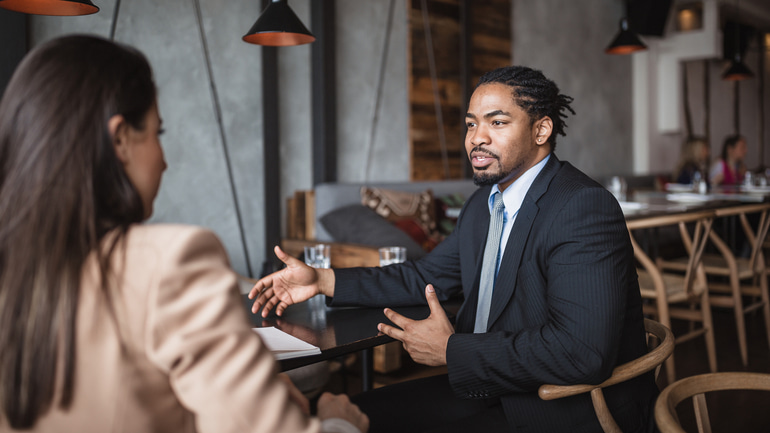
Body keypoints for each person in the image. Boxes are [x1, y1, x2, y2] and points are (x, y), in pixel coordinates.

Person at [250, 65, 656, 432]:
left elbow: (582, 353)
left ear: (541, 130)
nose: (477, 138)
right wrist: (321, 279)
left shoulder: (582, 207)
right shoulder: (484, 203)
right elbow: (424, 275)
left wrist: (451, 350)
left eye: (497, 122)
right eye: (470, 124)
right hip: (491, 386)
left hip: (560, 409)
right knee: (350, 415)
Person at [0, 35, 367, 433]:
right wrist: (336, 423)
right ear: (120, 139)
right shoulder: (170, 262)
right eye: (159, 133)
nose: (164, 161)